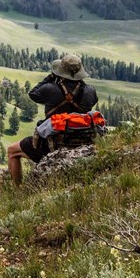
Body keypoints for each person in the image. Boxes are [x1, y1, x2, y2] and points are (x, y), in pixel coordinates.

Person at [8, 54, 98, 185]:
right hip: (82, 144)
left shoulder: (49, 88)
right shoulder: (91, 91)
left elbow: (33, 93)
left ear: (60, 72)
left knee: (12, 151)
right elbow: (92, 102)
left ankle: (16, 190)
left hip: (52, 144)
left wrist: (50, 77)